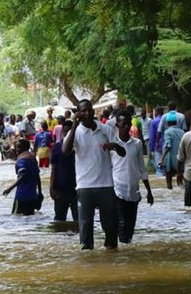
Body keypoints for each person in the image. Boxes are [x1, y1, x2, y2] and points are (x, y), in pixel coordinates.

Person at [62, 99, 126, 250]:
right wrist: (74, 126)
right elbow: (65, 151)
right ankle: (88, 263)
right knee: (85, 230)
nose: (87, 113)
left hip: (106, 185)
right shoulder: (76, 132)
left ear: (93, 110)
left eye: (89, 109)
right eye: (82, 111)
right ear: (78, 113)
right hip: (84, 187)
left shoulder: (106, 129)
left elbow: (123, 152)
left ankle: (111, 258)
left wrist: (115, 146)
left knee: (111, 227)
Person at [112, 110, 154, 244]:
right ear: (117, 125)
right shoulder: (112, 144)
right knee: (122, 223)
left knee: (130, 226)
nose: (126, 127)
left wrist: (149, 191)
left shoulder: (137, 144)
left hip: (134, 191)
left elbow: (141, 168)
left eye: (128, 124)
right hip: (117, 190)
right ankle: (122, 254)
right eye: (123, 124)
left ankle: (126, 250)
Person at [2, 139, 42, 215]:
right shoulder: (33, 158)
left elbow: (23, 175)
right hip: (32, 196)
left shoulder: (22, 159)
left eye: (17, 148)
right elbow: (37, 176)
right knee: (29, 220)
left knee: (16, 218)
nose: (15, 150)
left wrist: (10, 188)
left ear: (22, 148)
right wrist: (40, 192)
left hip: (21, 196)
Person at [50, 120, 78, 221]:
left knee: (79, 220)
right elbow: (53, 168)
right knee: (59, 220)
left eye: (69, 132)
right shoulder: (57, 148)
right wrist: (51, 188)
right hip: (61, 189)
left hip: (77, 188)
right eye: (65, 132)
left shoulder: (80, 148)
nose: (66, 134)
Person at [158, 112, 185, 190]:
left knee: (169, 183)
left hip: (170, 160)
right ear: (176, 122)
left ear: (167, 123)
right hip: (181, 160)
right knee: (182, 183)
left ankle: (169, 188)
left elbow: (168, 146)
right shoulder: (182, 132)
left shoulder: (167, 132)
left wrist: (162, 158)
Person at [148, 106, 165, 175]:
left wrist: (151, 148)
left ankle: (160, 176)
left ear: (156, 113)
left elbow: (152, 136)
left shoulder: (154, 122)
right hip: (166, 145)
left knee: (159, 165)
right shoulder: (166, 120)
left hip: (157, 146)